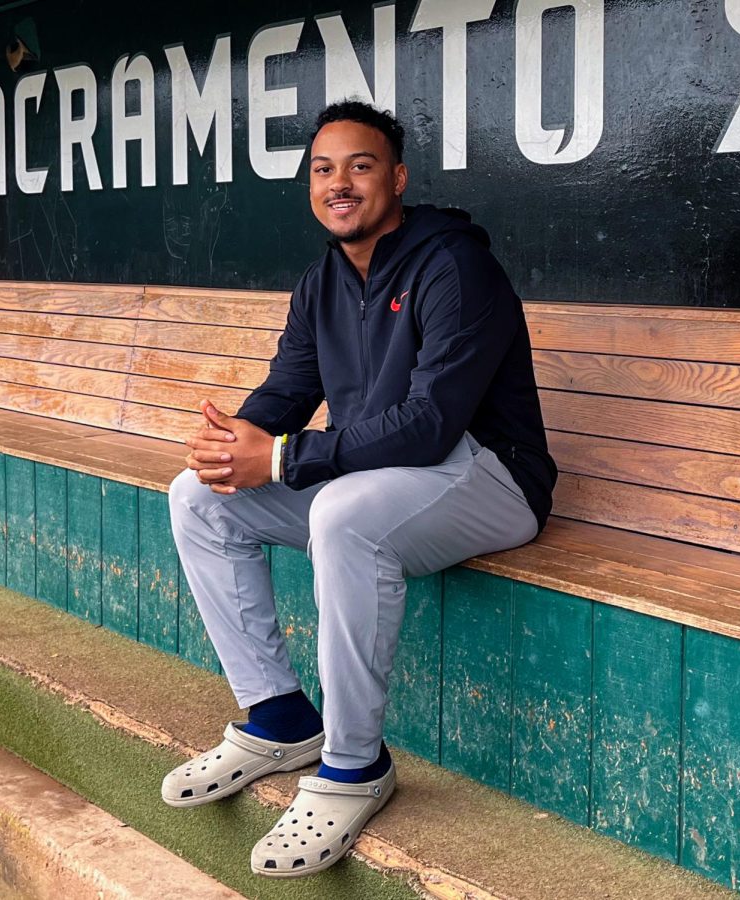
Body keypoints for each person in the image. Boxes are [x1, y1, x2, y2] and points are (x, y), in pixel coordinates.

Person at [163, 99, 557, 877]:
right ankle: (279, 716)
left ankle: (353, 765)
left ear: (398, 178)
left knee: (342, 514)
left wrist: (277, 460)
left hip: (493, 479)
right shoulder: (323, 282)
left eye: (360, 165)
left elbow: (432, 423)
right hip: (387, 477)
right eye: (322, 169)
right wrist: (232, 445)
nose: (339, 182)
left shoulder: (454, 265)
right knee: (197, 498)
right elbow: (288, 389)